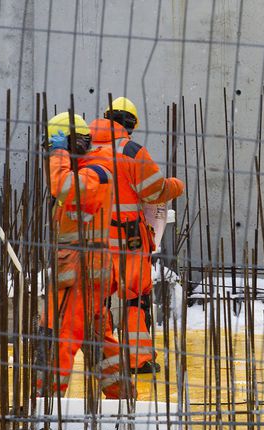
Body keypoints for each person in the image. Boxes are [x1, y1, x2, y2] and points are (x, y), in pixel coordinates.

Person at [36, 111, 134, 399]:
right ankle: (122, 397)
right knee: (98, 340)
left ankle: (47, 403)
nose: (53, 154)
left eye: (58, 145)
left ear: (74, 144)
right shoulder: (86, 172)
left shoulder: (96, 173)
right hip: (80, 271)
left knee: (59, 336)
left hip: (80, 272)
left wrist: (59, 155)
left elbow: (61, 186)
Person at [87, 97, 184, 374]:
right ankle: (137, 360)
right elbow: (154, 191)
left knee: (97, 300)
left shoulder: (83, 148)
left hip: (91, 238)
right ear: (130, 124)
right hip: (126, 240)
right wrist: (176, 186)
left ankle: (102, 359)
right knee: (135, 299)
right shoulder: (130, 150)